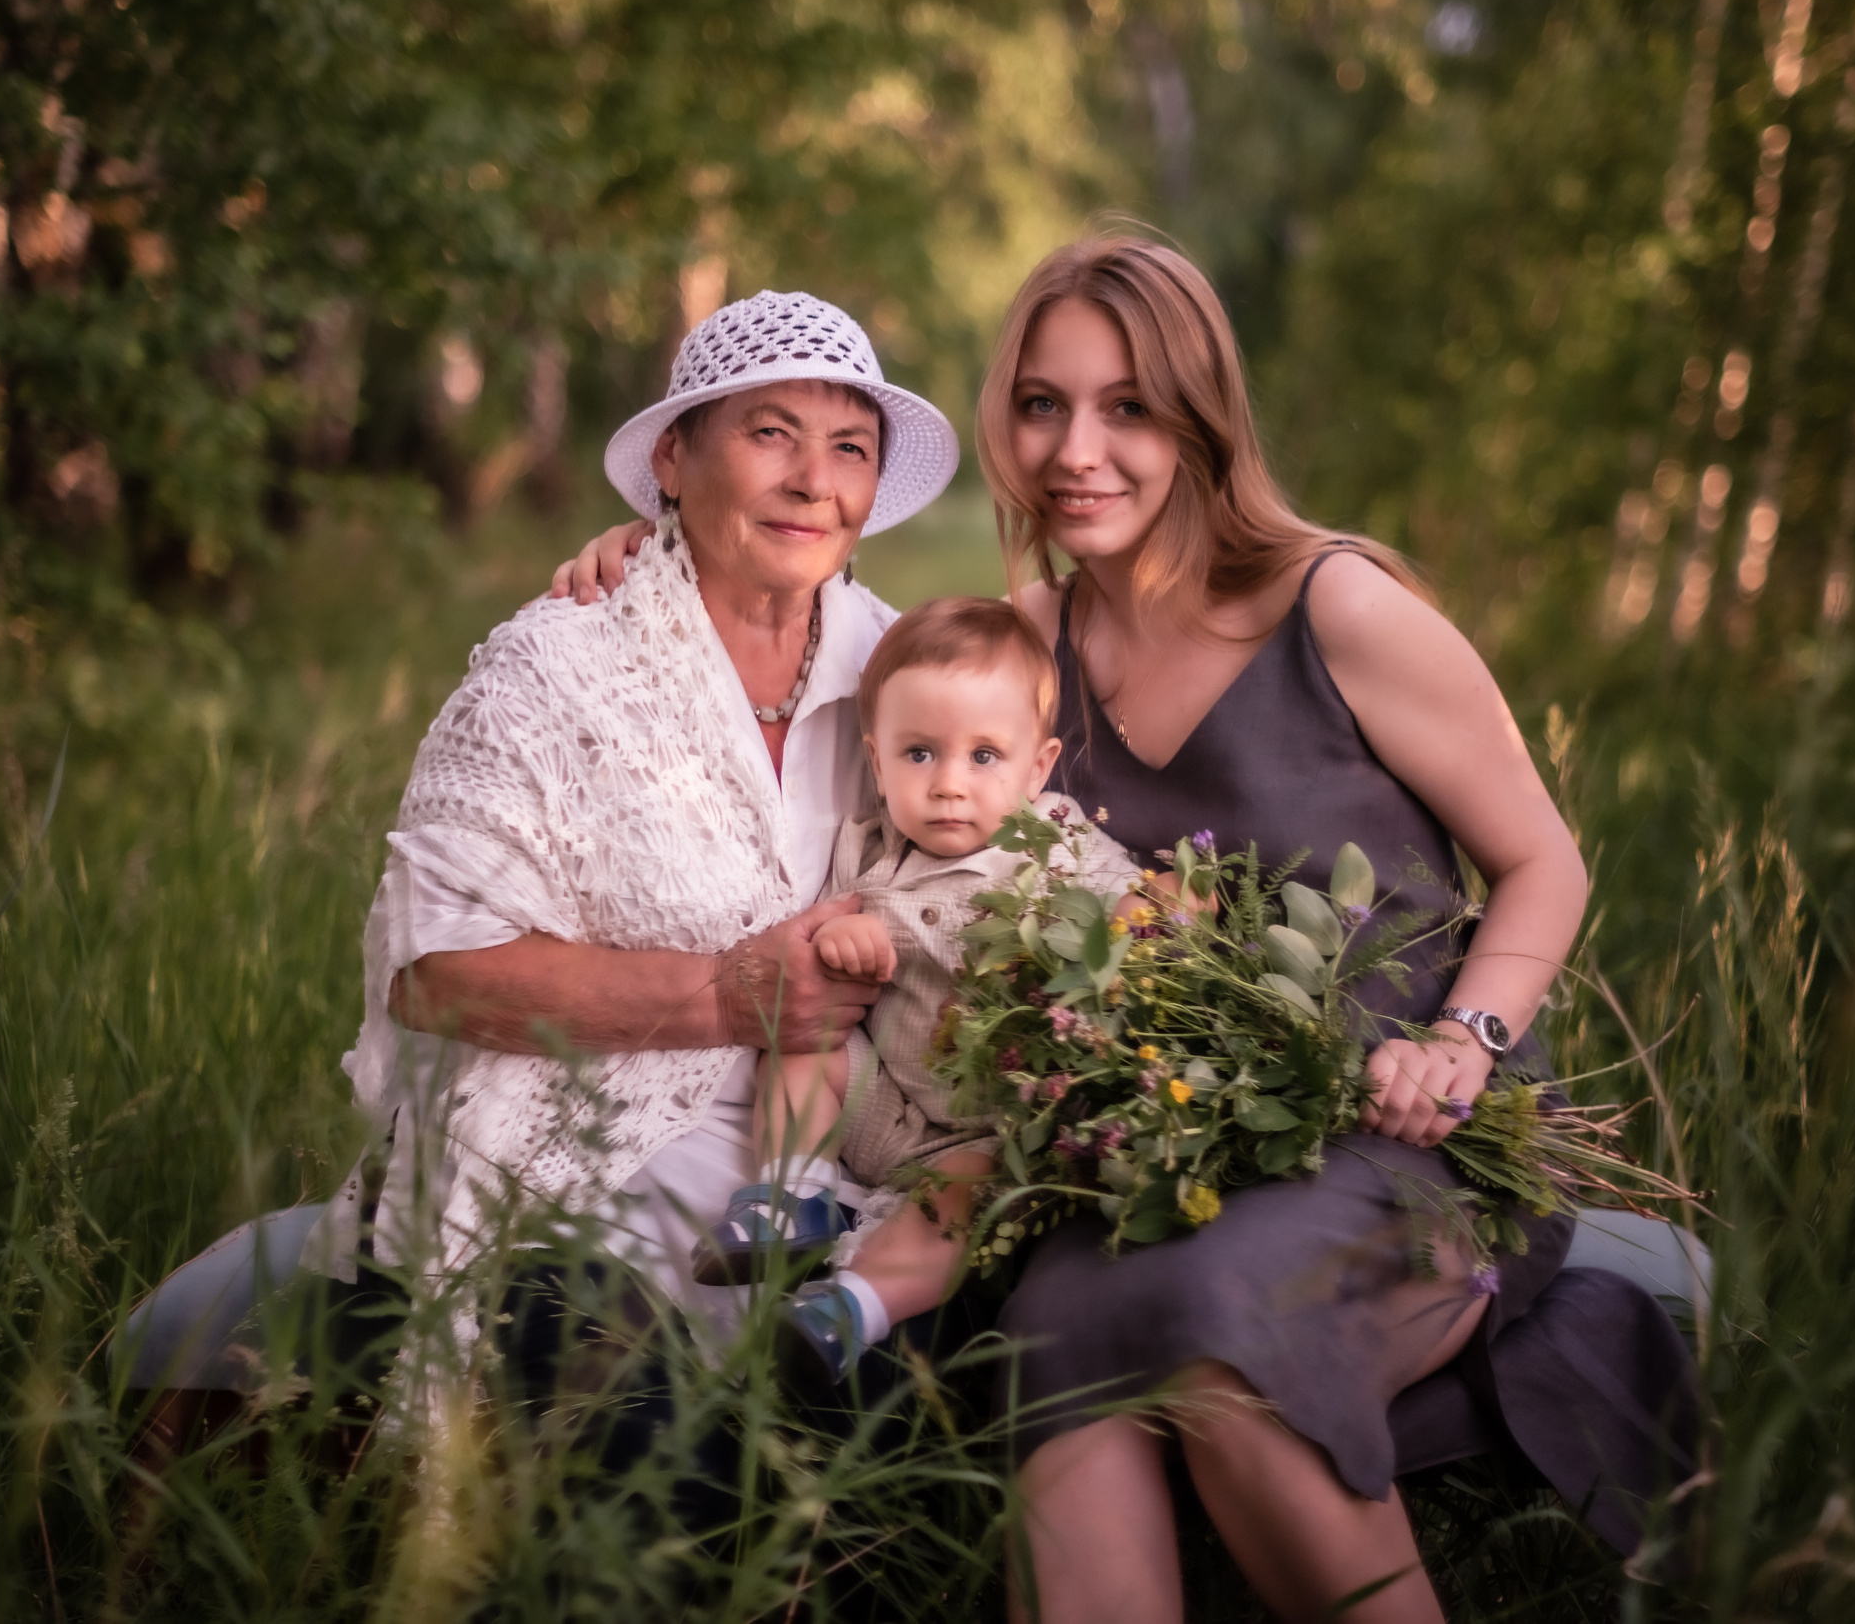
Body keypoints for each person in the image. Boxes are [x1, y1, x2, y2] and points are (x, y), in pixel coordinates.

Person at [549, 237, 1698, 1624]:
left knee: (1220, 1330)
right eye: (1042, 405)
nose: (1076, 450)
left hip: (1402, 1125)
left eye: (1129, 408)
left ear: (1202, 422)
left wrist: (1468, 1038)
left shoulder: (1335, 609)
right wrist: (651, 554)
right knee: (1053, 1340)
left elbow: (1544, 862)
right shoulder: (1027, 645)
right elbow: (806, 621)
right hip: (1161, 1135)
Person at [290, 289, 967, 1393]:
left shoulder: (898, 667)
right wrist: (723, 993)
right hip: (599, 1155)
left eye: (849, 448)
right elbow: (434, 972)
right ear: (672, 457)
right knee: (613, 1381)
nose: (813, 479)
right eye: (769, 434)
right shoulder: (555, 668)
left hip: (849, 1159)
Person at [700, 597, 1142, 1387]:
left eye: (983, 757)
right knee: (803, 1042)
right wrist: (842, 941)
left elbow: (1132, 911)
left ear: (1037, 768)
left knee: (960, 1209)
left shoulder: (1057, 845)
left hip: (983, 1132)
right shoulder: (867, 848)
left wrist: (1158, 907)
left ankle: (850, 1309)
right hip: (881, 1102)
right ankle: (788, 1195)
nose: (947, 785)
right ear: (876, 758)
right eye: (919, 754)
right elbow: (822, 939)